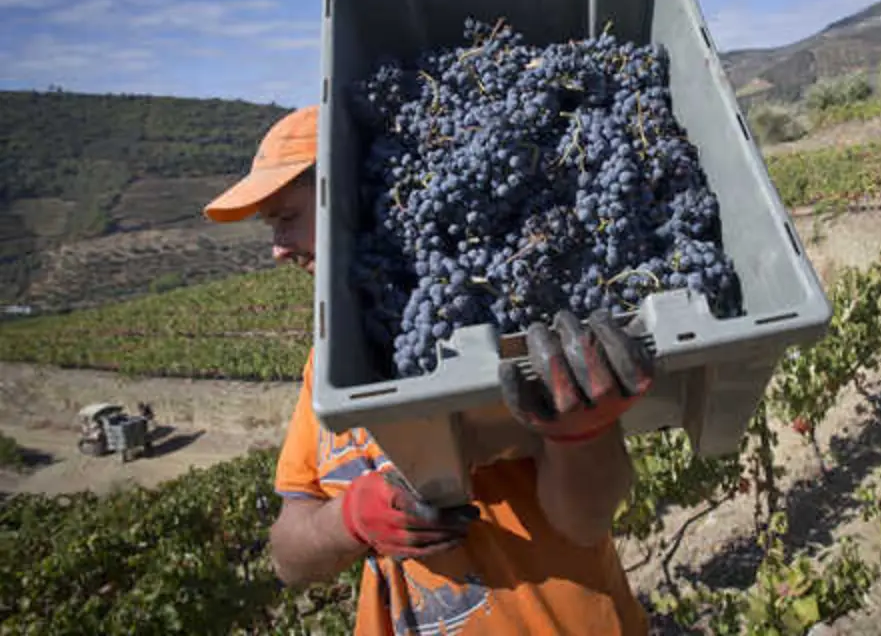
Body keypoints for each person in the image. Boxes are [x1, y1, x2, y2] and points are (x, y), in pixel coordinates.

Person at [204, 105, 652, 635]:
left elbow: (587, 522)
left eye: (286, 218)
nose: (277, 249)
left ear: (347, 199)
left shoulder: (501, 322)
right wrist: (349, 520)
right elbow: (288, 556)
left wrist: (584, 437)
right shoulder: (326, 369)